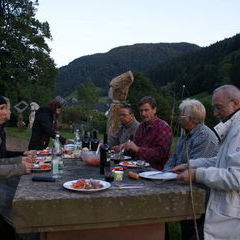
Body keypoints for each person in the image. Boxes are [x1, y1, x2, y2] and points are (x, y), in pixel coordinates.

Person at [172, 85, 240, 240]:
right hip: (222, 209)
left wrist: (197, 174)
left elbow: (236, 177)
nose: (215, 113)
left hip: (231, 215)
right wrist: (192, 164)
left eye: (219, 107)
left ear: (235, 103)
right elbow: (221, 161)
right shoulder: (232, 127)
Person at [164, 98, 219, 240]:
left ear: (191, 118)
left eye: (181, 115)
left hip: (199, 194)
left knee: (194, 231)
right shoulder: (185, 135)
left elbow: (196, 168)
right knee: (185, 226)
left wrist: (171, 176)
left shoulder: (204, 136)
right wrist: (165, 173)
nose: (178, 118)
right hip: (183, 188)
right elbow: (173, 158)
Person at [0, 96, 33, 240]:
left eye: (5, 107)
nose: (6, 111)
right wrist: (19, 167)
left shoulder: (1, 130)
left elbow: (2, 157)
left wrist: (21, 157)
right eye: (2, 108)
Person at [121, 96, 173, 170]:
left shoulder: (163, 127)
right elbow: (135, 147)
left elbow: (161, 154)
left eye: (146, 110)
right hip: (139, 167)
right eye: (141, 111)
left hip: (156, 171)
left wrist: (138, 149)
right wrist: (126, 147)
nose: (143, 114)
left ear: (154, 110)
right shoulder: (141, 126)